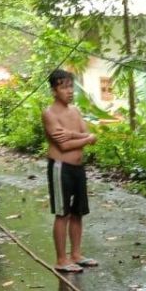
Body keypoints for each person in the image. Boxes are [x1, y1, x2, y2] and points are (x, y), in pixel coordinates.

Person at [42, 69, 98, 274]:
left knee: (78, 212)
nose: (69, 91)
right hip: (60, 167)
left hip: (78, 167)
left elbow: (89, 135)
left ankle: (76, 254)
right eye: (63, 87)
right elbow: (63, 145)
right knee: (62, 213)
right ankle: (61, 259)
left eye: (70, 86)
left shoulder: (75, 111)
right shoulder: (49, 113)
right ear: (54, 90)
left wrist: (73, 135)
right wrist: (84, 139)